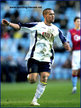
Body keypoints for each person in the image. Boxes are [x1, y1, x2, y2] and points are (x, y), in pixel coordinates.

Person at [2, 8, 71, 106]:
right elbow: (20, 26)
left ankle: (34, 100)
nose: (53, 16)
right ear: (45, 15)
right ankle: (30, 76)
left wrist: (66, 44)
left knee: (44, 77)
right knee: (32, 80)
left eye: (53, 14)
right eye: (50, 14)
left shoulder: (56, 29)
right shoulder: (37, 25)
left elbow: (63, 40)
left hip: (47, 58)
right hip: (34, 57)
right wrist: (9, 24)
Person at [67, 16, 80, 94]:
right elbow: (68, 41)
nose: (79, 23)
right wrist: (69, 46)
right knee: (75, 70)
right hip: (76, 52)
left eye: (80, 21)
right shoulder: (71, 31)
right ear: (74, 22)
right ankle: (74, 87)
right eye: (78, 21)